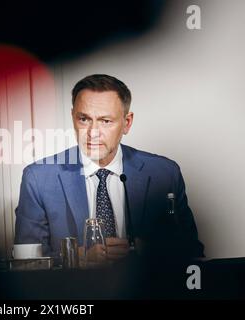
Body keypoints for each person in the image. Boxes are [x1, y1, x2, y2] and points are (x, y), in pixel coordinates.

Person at [14, 74, 204, 264]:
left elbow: (192, 250)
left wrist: (148, 249)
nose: (93, 133)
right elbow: (27, 261)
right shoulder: (38, 178)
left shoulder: (164, 174)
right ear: (73, 117)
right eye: (84, 119)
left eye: (105, 121)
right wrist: (74, 257)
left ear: (126, 123)